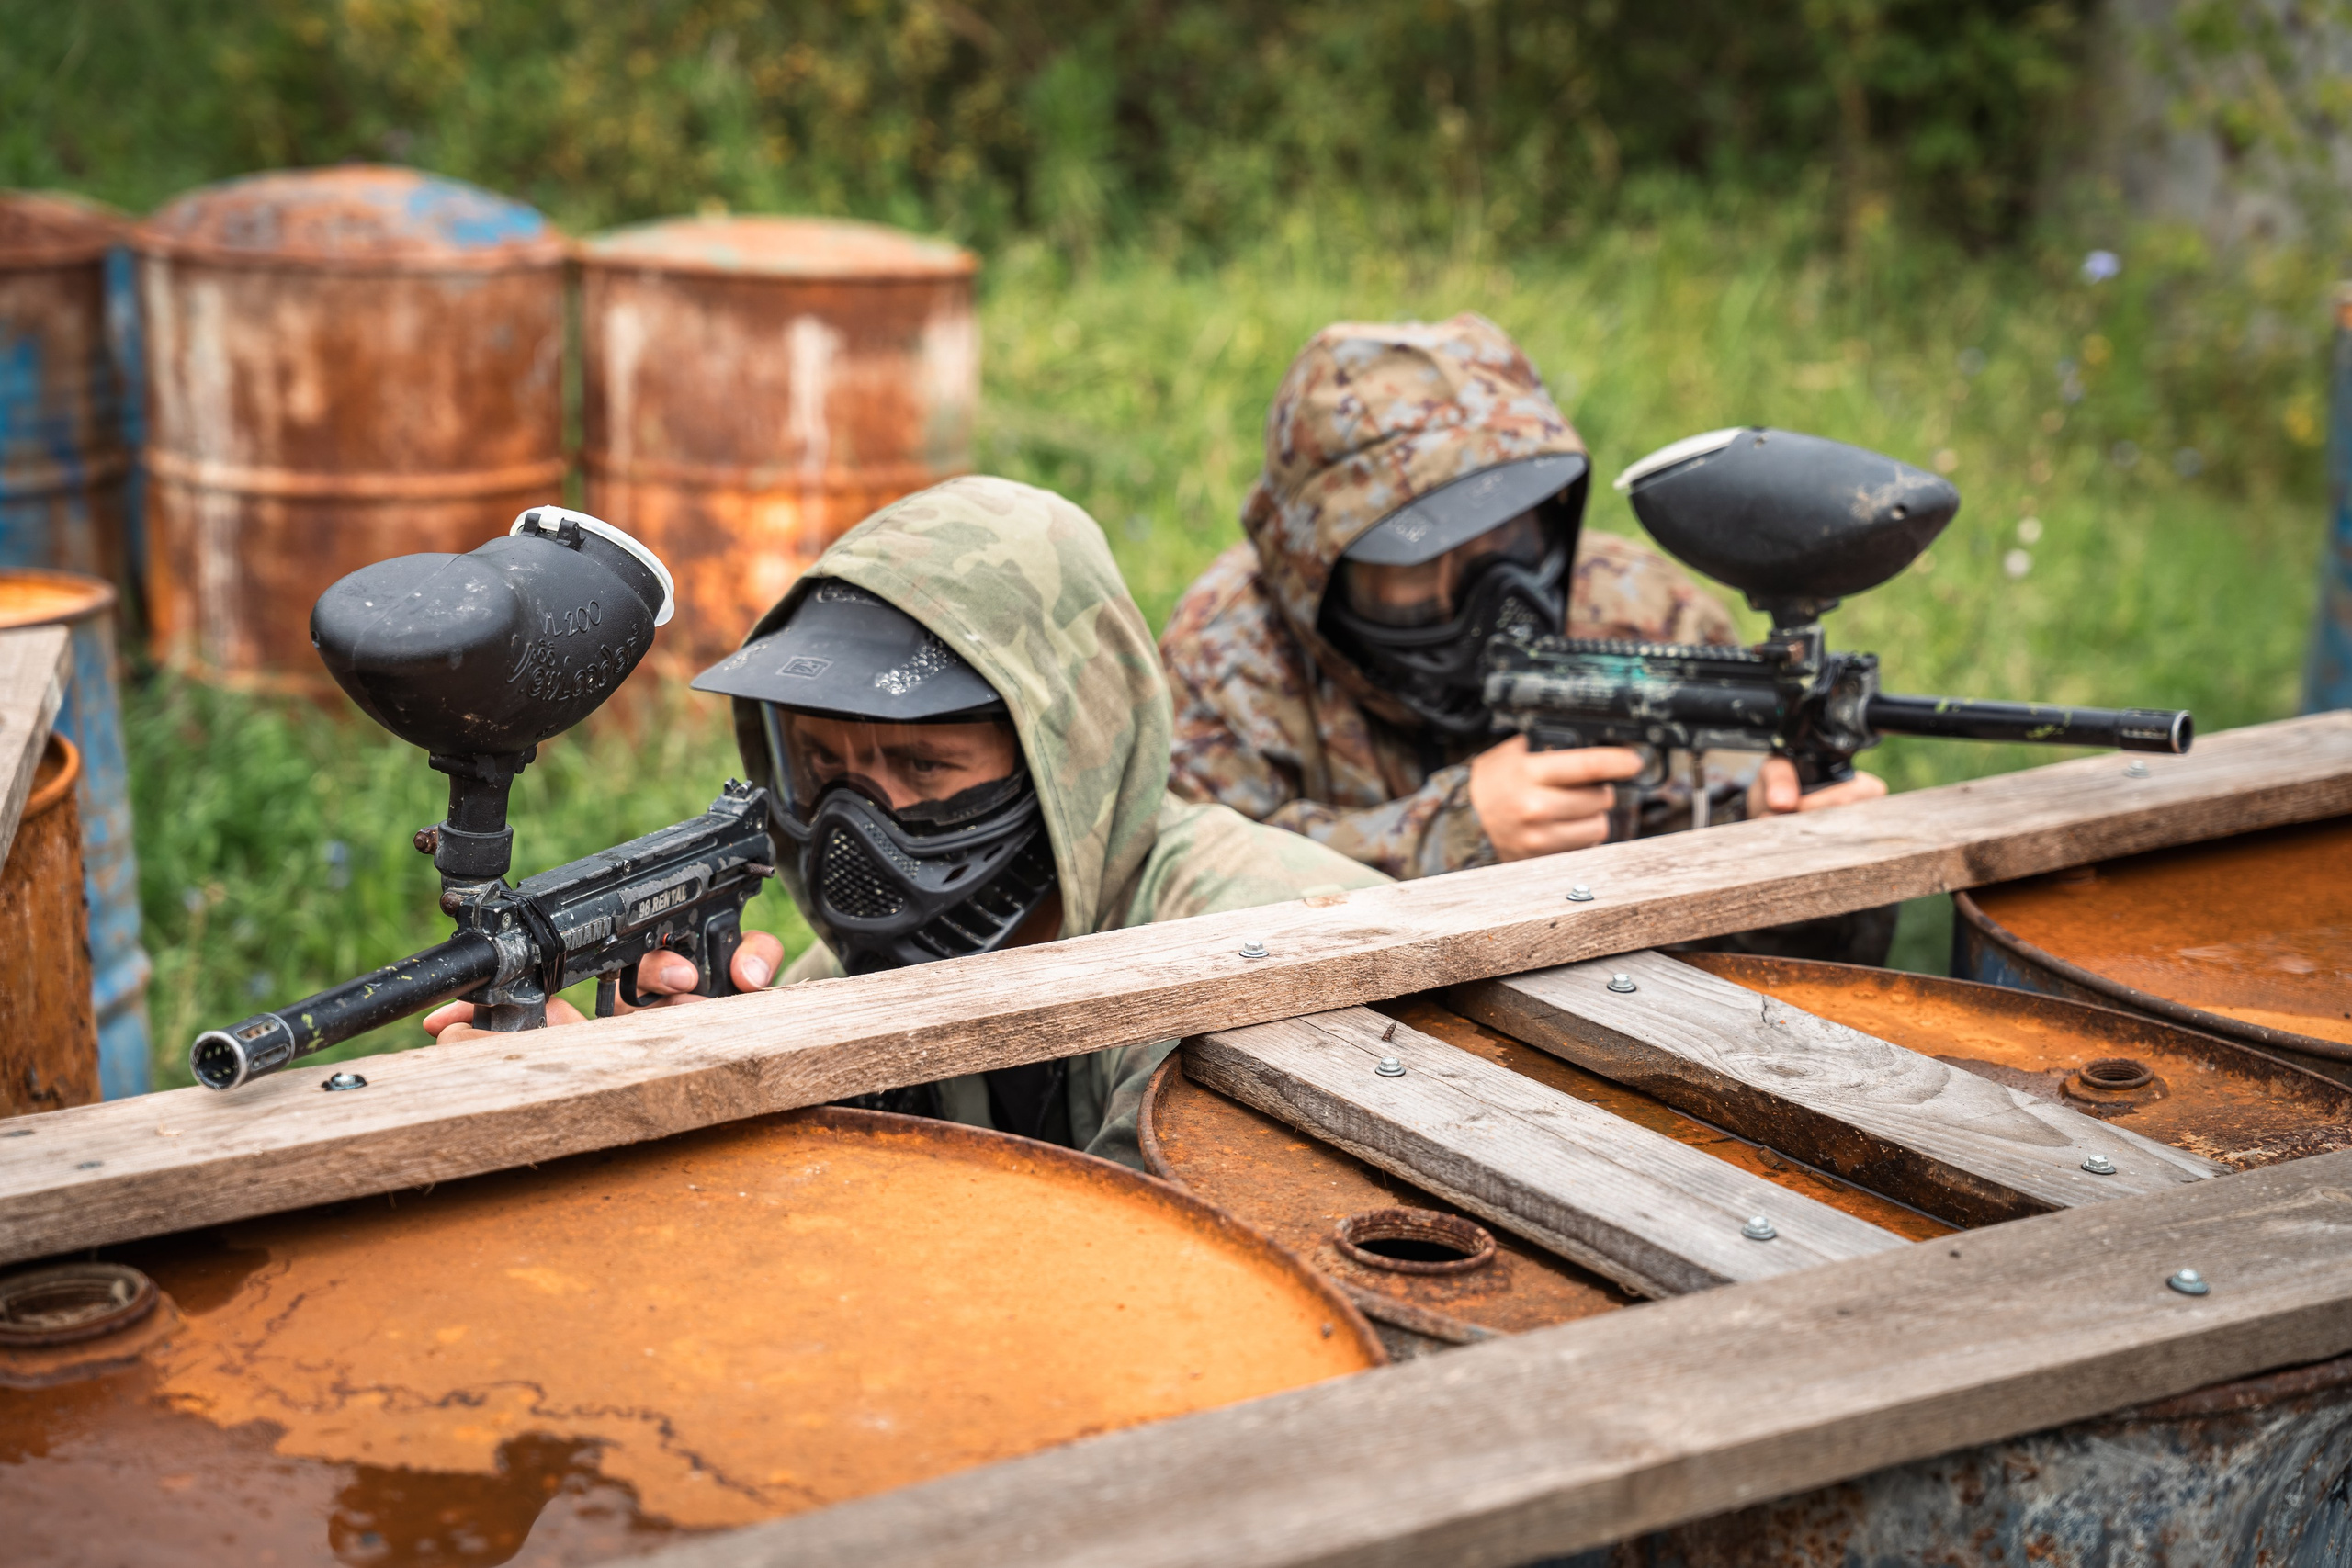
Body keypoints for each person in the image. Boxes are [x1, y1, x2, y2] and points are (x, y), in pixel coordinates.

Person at [425, 475, 1387, 1168]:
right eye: (821, 765)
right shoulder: (826, 987)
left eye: (923, 765)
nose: (856, 824)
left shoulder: (1248, 948)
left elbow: (1139, 1295)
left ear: (1068, 747)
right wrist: (663, 1113)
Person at [1159, 313, 1885, 884]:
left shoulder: (1642, 611)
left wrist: (1767, 838)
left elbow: (1794, 970)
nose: (1488, 597)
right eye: (1417, 561)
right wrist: (1446, 837)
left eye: (1505, 541)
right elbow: (1180, 890)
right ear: (1315, 565)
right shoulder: (1227, 657)